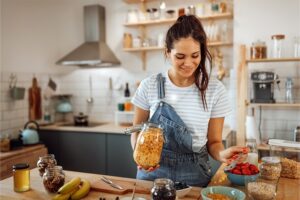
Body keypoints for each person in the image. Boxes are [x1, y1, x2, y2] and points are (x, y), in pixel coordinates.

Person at [130, 15, 248, 187]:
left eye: (195, 55)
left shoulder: (214, 90)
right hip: (153, 173)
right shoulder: (149, 86)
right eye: (180, 56)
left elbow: (214, 143)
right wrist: (139, 155)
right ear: (167, 53)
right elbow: (136, 131)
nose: (188, 63)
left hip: (194, 174)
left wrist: (223, 154)